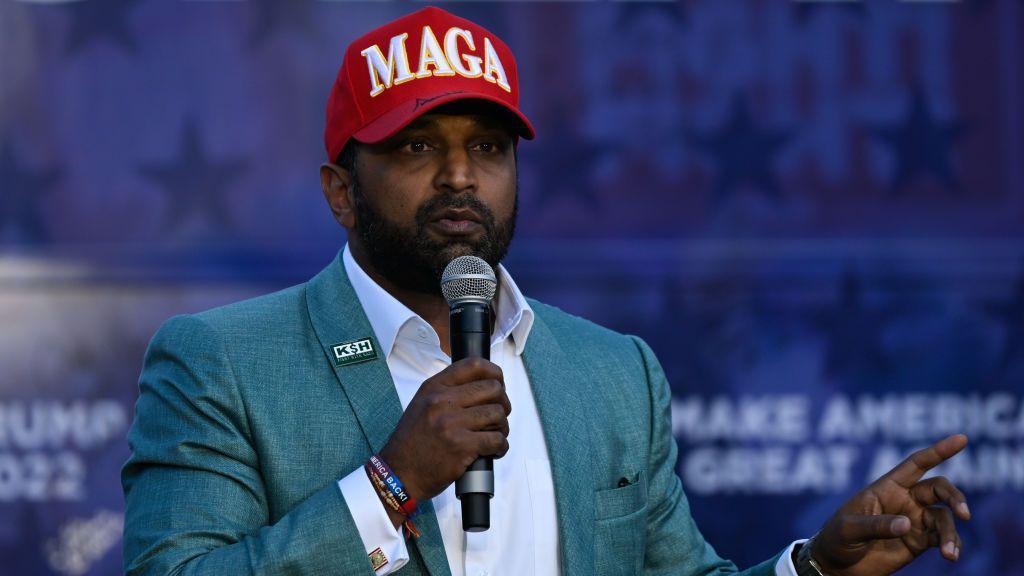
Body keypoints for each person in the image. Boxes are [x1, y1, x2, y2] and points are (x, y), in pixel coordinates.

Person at [121, 7, 971, 576]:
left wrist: (814, 566)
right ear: (340, 191)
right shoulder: (220, 361)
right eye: (417, 149)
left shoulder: (612, 371)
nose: (459, 175)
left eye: (488, 147)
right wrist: (390, 482)